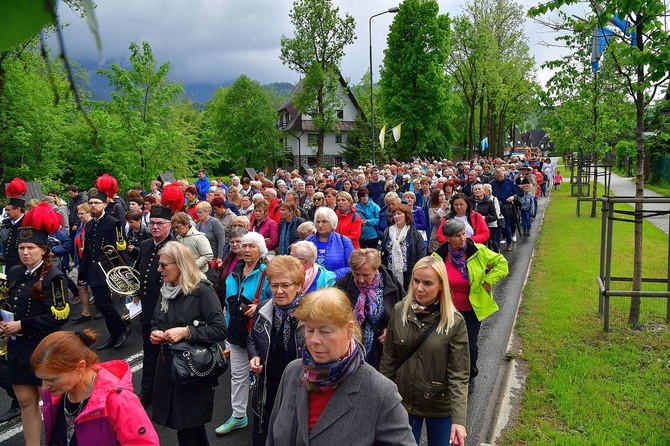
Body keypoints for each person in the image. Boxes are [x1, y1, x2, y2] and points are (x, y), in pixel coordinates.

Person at [266, 287, 415, 445]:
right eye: (309, 330)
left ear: (349, 331)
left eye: (325, 331)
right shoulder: (292, 372)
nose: (314, 340)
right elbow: (272, 438)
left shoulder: (380, 392)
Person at [380, 257, 470, 446]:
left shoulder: (454, 321)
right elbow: (388, 361)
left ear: (440, 286)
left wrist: (459, 420)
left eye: (427, 283)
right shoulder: (399, 311)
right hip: (404, 402)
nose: (419, 288)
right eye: (416, 281)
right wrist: (380, 403)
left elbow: (459, 375)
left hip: (439, 405)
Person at [2, 203, 70, 446]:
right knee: (25, 402)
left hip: (43, 349)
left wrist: (22, 325)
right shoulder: (15, 272)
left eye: (31, 247)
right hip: (18, 348)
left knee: (52, 407)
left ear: (43, 250)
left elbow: (62, 316)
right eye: (21, 247)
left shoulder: (54, 276)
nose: (25, 252)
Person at [150, 241, 226, 445]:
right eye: (159, 264)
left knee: (189, 429)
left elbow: (219, 329)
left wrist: (187, 331)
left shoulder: (202, 291)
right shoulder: (166, 290)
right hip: (170, 369)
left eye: (164, 265)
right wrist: (155, 333)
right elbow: (155, 321)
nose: (160, 269)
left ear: (180, 264)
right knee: (185, 428)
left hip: (193, 370)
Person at [32, 330, 160, 445]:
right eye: (41, 379)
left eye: (51, 379)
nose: (44, 387)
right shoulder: (56, 394)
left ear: (80, 367)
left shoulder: (118, 401)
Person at [433, 219, 508, 394]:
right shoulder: (439, 257)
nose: (462, 238)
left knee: (469, 345)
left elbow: (502, 263)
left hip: (472, 308)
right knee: (447, 343)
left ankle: (470, 376)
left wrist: (489, 280)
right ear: (448, 238)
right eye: (457, 236)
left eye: (463, 234)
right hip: (449, 308)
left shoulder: (478, 251)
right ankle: (450, 375)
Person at [246, 256, 307, 446]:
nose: (279, 291)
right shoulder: (264, 308)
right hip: (268, 385)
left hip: (300, 387)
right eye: (274, 285)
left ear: (298, 285)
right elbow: (252, 338)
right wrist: (254, 356)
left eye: (286, 285)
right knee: (264, 434)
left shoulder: (311, 313)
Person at [216, 232, 271, 435]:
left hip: (259, 336)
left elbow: (281, 300)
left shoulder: (267, 273)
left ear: (261, 250)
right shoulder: (233, 274)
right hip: (237, 333)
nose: (247, 250)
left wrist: (262, 306)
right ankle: (239, 416)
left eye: (252, 246)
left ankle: (267, 415)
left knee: (265, 376)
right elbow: (227, 305)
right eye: (244, 246)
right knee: (238, 376)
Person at [77, 188, 130, 351]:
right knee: (102, 304)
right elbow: (87, 251)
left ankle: (121, 330)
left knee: (103, 304)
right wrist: (82, 273)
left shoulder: (114, 223)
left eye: (96, 203)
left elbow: (122, 250)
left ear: (104, 204)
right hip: (94, 271)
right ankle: (115, 333)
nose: (93, 206)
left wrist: (124, 273)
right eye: (90, 203)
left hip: (109, 270)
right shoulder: (91, 224)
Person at [335, 249, 404, 369]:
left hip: (380, 352)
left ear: (376, 269)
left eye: (366, 275)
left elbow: (404, 314)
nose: (360, 280)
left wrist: (392, 330)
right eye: (356, 274)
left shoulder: (391, 285)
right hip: (349, 352)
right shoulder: (344, 285)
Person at [134, 205, 174, 408]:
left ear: (169, 225)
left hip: (168, 309)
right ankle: (147, 391)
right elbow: (142, 272)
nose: (155, 226)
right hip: (148, 308)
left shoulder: (175, 247)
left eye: (160, 223)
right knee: (149, 351)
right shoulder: (146, 244)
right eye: (152, 223)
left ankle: (166, 393)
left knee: (168, 354)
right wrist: (137, 292)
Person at [380, 204, 427, 289]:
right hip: (390, 272)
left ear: (406, 215)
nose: (396, 216)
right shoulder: (387, 232)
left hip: (408, 273)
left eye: (399, 213)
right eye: (394, 214)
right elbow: (382, 251)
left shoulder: (415, 234)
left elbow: (421, 255)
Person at [305, 207, 354, 280]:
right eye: (318, 222)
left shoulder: (344, 241)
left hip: (336, 285)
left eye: (324, 222)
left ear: (332, 223)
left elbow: (352, 267)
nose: (320, 225)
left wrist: (332, 276)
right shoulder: (308, 241)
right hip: (312, 286)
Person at [195, 201, 226, 282]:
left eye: (200, 212)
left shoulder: (215, 222)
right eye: (197, 212)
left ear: (208, 212)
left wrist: (220, 257)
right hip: (202, 259)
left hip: (214, 258)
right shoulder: (197, 225)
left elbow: (221, 240)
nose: (198, 214)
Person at [427, 189, 449, 253]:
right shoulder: (432, 209)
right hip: (436, 238)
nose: (442, 197)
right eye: (440, 195)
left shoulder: (449, 207)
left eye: (443, 195)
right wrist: (441, 209)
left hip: (448, 236)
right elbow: (433, 221)